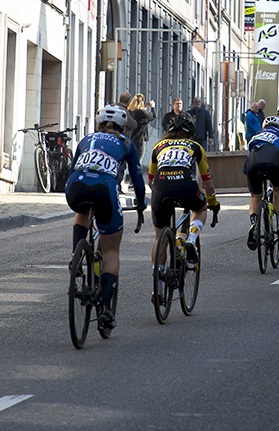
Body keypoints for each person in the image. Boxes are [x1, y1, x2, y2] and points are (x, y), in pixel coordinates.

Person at [65, 105, 146, 330]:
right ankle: (106, 309)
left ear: (99, 124)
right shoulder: (127, 144)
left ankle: (76, 254)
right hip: (105, 188)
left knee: (81, 211)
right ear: (123, 127)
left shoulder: (85, 139)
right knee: (111, 251)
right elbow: (137, 179)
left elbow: (72, 169)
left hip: (75, 187)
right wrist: (141, 204)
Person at [148, 114, 220, 267]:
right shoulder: (195, 147)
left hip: (161, 186)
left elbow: (150, 181)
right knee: (200, 208)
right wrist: (212, 202)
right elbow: (207, 181)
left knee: (159, 237)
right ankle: (191, 239)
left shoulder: (158, 146)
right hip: (186, 183)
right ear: (190, 134)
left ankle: (158, 283)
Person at [244, 115, 279, 248]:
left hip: (254, 164)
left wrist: (250, 177)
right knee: (278, 189)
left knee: (256, 196)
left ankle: (254, 224)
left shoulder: (256, 137)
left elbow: (246, 166)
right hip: (273, 161)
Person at [128, 93, 156, 164]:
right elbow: (153, 116)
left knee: (130, 160)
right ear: (142, 102)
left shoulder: (129, 112)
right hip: (139, 139)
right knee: (138, 161)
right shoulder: (142, 113)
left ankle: (129, 174)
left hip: (129, 139)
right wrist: (153, 107)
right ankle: (134, 174)